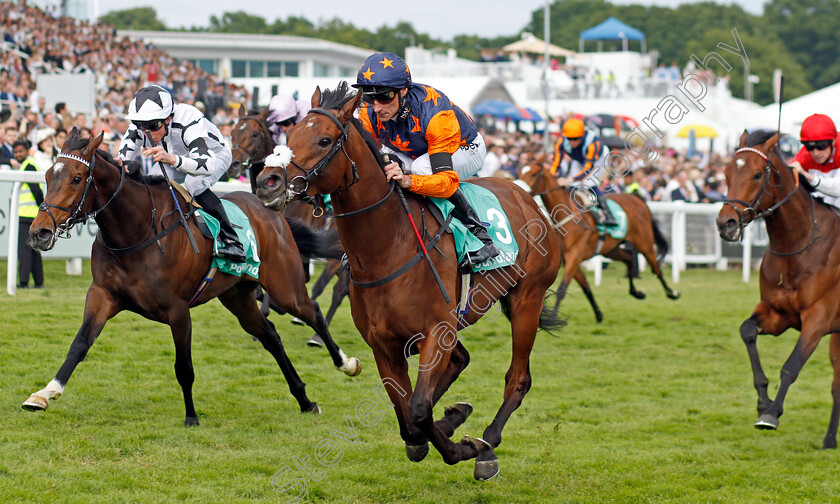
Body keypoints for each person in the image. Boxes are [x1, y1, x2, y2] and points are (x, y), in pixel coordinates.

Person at [353, 52, 499, 269]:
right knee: (383, 164)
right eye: (368, 97)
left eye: (384, 97)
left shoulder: (436, 115)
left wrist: (409, 182)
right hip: (415, 151)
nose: (377, 107)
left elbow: (446, 181)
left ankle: (482, 237)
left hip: (465, 148)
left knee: (422, 167)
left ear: (403, 91)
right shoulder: (369, 112)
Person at [118, 84, 246, 262]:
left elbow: (205, 165)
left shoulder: (188, 118)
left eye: (153, 126)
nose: (146, 131)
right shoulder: (145, 124)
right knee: (153, 182)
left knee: (195, 184)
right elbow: (126, 149)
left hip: (213, 155)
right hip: (175, 156)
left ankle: (232, 241)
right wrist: (122, 161)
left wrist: (172, 160)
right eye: (140, 125)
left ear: (168, 118)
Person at [550, 118, 617, 226]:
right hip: (579, 158)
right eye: (569, 139)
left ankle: (608, 214)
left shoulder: (594, 144)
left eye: (575, 139)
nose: (572, 142)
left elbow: (588, 169)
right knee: (573, 185)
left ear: (582, 136)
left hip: (598, 158)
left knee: (589, 183)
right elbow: (556, 162)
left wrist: (568, 179)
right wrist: (553, 177)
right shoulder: (561, 141)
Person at [12, 139, 45, 288]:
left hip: (26, 216)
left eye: (20, 151)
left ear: (26, 151)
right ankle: (39, 283)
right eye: (16, 152)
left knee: (24, 251)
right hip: (31, 215)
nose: (18, 154)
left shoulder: (28, 166)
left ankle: (23, 283)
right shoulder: (27, 165)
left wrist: (42, 209)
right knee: (34, 251)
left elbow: (37, 191)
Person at [790, 113, 840, 208]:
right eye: (810, 147)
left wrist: (807, 176)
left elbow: (838, 189)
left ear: (833, 141)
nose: (815, 153)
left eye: (820, 147)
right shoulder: (804, 154)